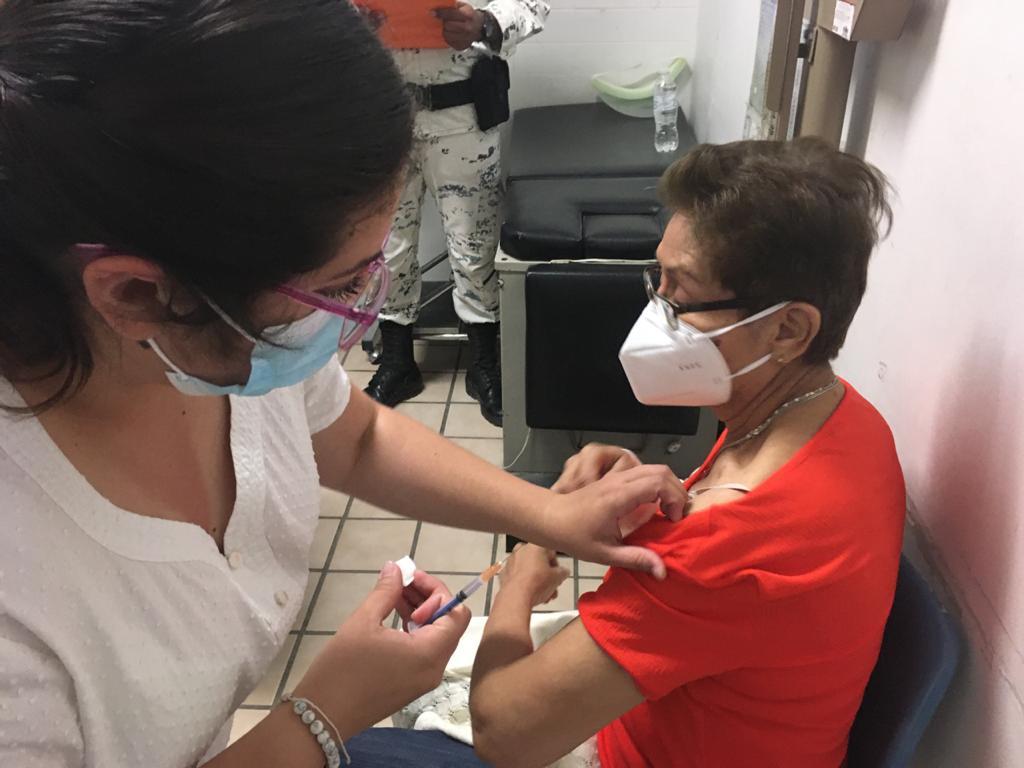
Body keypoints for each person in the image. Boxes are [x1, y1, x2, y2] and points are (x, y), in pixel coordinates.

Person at [0, 3, 689, 767]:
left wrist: (551, 519)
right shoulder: (22, 606)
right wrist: (323, 715)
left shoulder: (210, 350)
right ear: (134, 295)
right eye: (340, 284)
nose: (365, 306)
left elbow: (355, 436)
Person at [468, 138, 905, 768]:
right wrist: (665, 488)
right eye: (657, 277)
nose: (657, 310)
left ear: (789, 329)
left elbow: (505, 736)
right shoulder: (845, 419)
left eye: (681, 292)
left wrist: (525, 568)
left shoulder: (724, 547)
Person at [363, 0, 551, 427]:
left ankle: (484, 364)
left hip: (462, 120)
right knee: (385, 247)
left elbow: (534, 5)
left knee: (473, 247)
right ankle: (396, 361)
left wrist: (486, 23)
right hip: (383, 120)